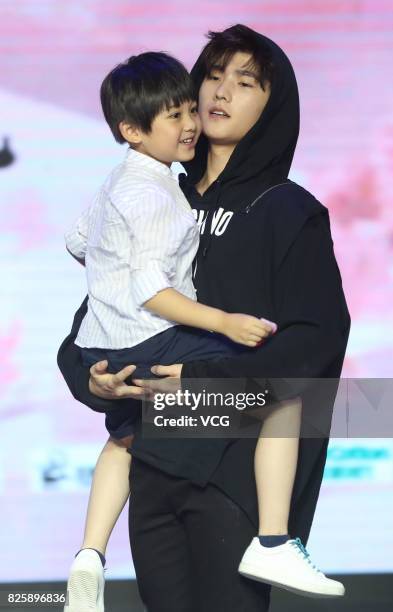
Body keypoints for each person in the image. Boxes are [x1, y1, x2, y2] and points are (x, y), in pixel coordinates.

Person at [58, 24, 350, 612]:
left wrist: (201, 381)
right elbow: (100, 310)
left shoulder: (287, 209)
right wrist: (87, 377)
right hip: (153, 462)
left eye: (244, 82)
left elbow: (317, 341)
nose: (220, 92)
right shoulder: (154, 190)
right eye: (212, 76)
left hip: (233, 471)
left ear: (273, 105)